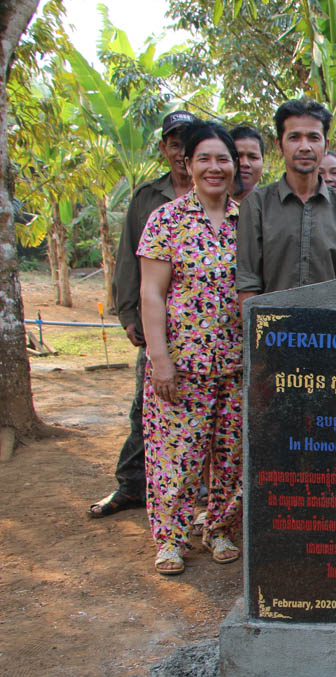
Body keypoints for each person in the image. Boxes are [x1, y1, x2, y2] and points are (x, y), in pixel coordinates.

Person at [137, 122, 243, 575]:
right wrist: (160, 361)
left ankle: (219, 529)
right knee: (176, 455)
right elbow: (151, 294)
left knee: (231, 454)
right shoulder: (167, 219)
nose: (214, 168)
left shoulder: (249, 221)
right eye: (204, 159)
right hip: (182, 364)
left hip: (237, 364)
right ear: (188, 164)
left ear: (235, 165)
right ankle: (171, 539)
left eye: (223, 159)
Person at [89, 109, 199, 520]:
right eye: (174, 143)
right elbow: (127, 260)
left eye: (189, 143)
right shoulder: (147, 197)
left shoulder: (225, 195)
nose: (181, 152)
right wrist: (128, 313)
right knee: (147, 405)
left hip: (205, 329)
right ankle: (131, 485)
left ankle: (194, 490)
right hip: (156, 324)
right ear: (164, 149)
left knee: (203, 412)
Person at [236, 100, 336, 301]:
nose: (305, 147)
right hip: (273, 331)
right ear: (280, 145)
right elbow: (248, 283)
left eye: (313, 137)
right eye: (294, 137)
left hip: (329, 330)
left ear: (326, 145)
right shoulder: (256, 204)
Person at [230, 125, 266, 202]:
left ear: (263, 162)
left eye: (253, 157)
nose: (245, 164)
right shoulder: (204, 204)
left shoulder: (272, 207)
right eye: (238, 156)